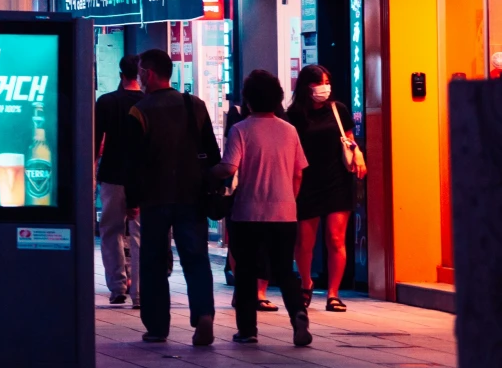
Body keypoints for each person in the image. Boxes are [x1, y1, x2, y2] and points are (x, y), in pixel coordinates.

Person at [125, 48, 221, 347]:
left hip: (155, 198)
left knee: (153, 262)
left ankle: (157, 327)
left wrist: (132, 200)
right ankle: (203, 314)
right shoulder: (195, 105)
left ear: (149, 74)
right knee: (195, 258)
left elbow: (133, 162)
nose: (139, 76)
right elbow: (213, 154)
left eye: (141, 71)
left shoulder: (139, 111)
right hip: (192, 196)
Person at [221, 69, 312, 346]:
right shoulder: (290, 131)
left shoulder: (240, 130)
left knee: (246, 271)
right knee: (284, 270)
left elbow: (229, 167)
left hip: (248, 212)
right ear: (277, 99)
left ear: (248, 100)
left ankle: (247, 330)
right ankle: (297, 313)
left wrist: (210, 173)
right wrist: (290, 199)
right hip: (284, 212)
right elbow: (299, 172)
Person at [289, 63, 360, 312]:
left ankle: (333, 293)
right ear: (306, 86)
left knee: (336, 237)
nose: (324, 87)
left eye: (327, 82)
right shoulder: (294, 115)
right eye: (319, 82)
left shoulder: (338, 110)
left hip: (337, 179)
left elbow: (349, 140)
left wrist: (357, 153)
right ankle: (306, 284)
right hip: (306, 181)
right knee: (304, 242)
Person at [95, 55, 144, 305]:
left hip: (112, 174)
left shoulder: (106, 102)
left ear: (120, 73)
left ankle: (117, 287)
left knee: (111, 230)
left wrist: (92, 173)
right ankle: (139, 292)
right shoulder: (149, 102)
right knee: (140, 234)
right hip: (144, 178)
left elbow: (95, 142)